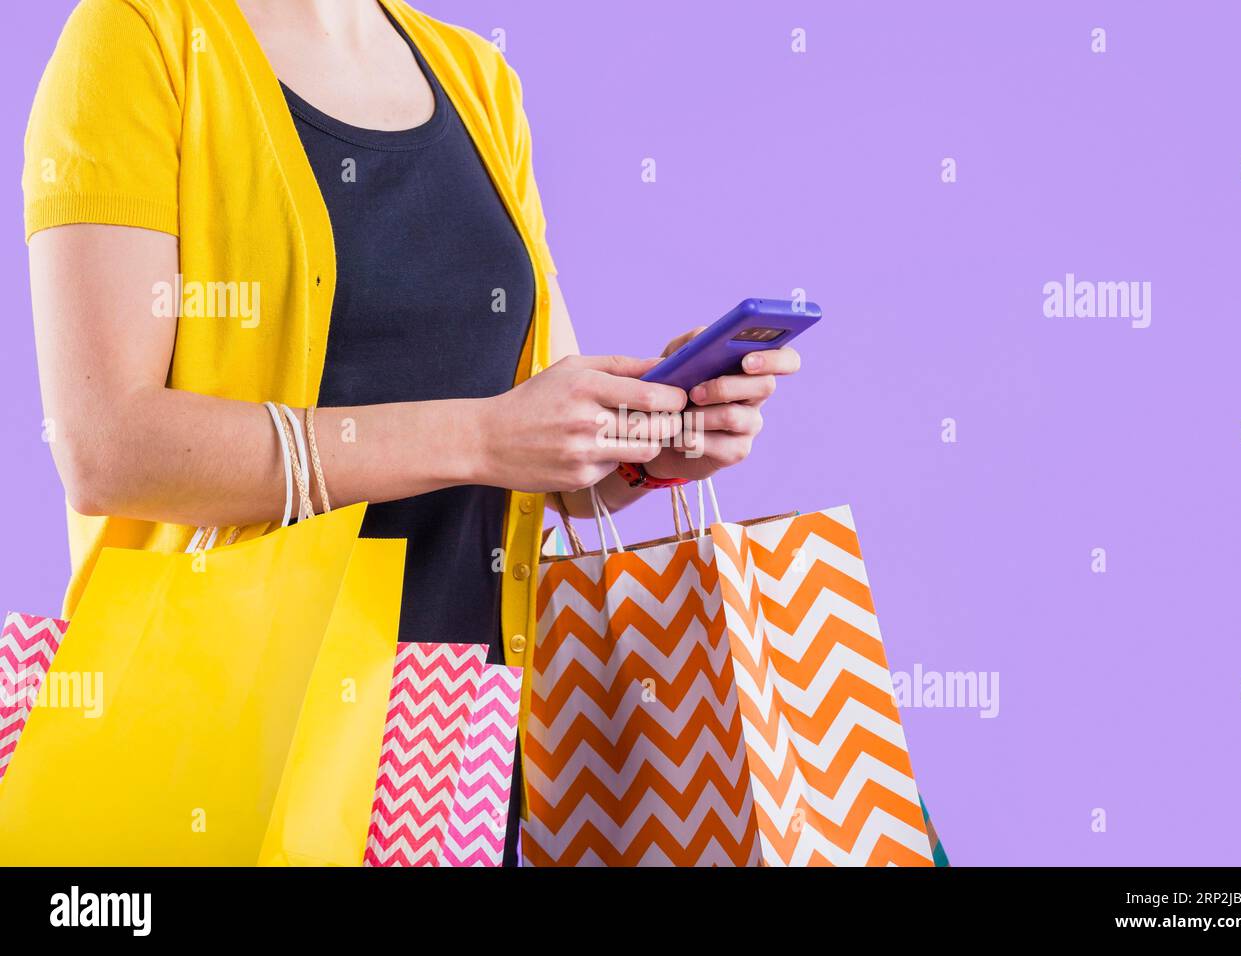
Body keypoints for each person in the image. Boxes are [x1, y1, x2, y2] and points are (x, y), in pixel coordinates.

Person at [24, 0, 801, 864]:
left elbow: (542, 452)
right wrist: (480, 437)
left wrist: (647, 445)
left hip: (459, 752)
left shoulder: (475, 78)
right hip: (229, 752)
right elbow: (106, 448)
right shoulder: (141, 38)